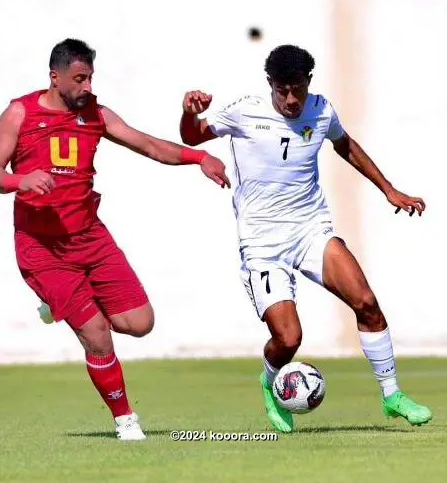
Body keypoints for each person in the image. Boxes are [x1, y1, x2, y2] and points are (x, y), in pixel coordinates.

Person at [0, 38, 230, 441]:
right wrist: (19, 180)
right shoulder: (19, 113)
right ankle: (125, 419)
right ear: (55, 77)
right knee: (97, 333)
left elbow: (149, 145)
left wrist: (199, 157)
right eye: (79, 79)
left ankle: (60, 303)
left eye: (90, 78)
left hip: (91, 239)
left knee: (140, 323)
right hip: (43, 248)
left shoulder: (96, 114)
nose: (87, 86)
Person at [179, 44, 432, 433]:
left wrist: (389, 190)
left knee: (366, 303)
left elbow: (345, 145)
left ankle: (392, 395)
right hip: (262, 243)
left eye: (297, 89)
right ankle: (269, 382)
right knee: (288, 339)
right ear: (270, 84)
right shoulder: (245, 111)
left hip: (310, 230)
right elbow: (192, 137)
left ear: (308, 82)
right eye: (282, 90)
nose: (291, 99)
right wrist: (188, 113)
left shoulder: (321, 110)